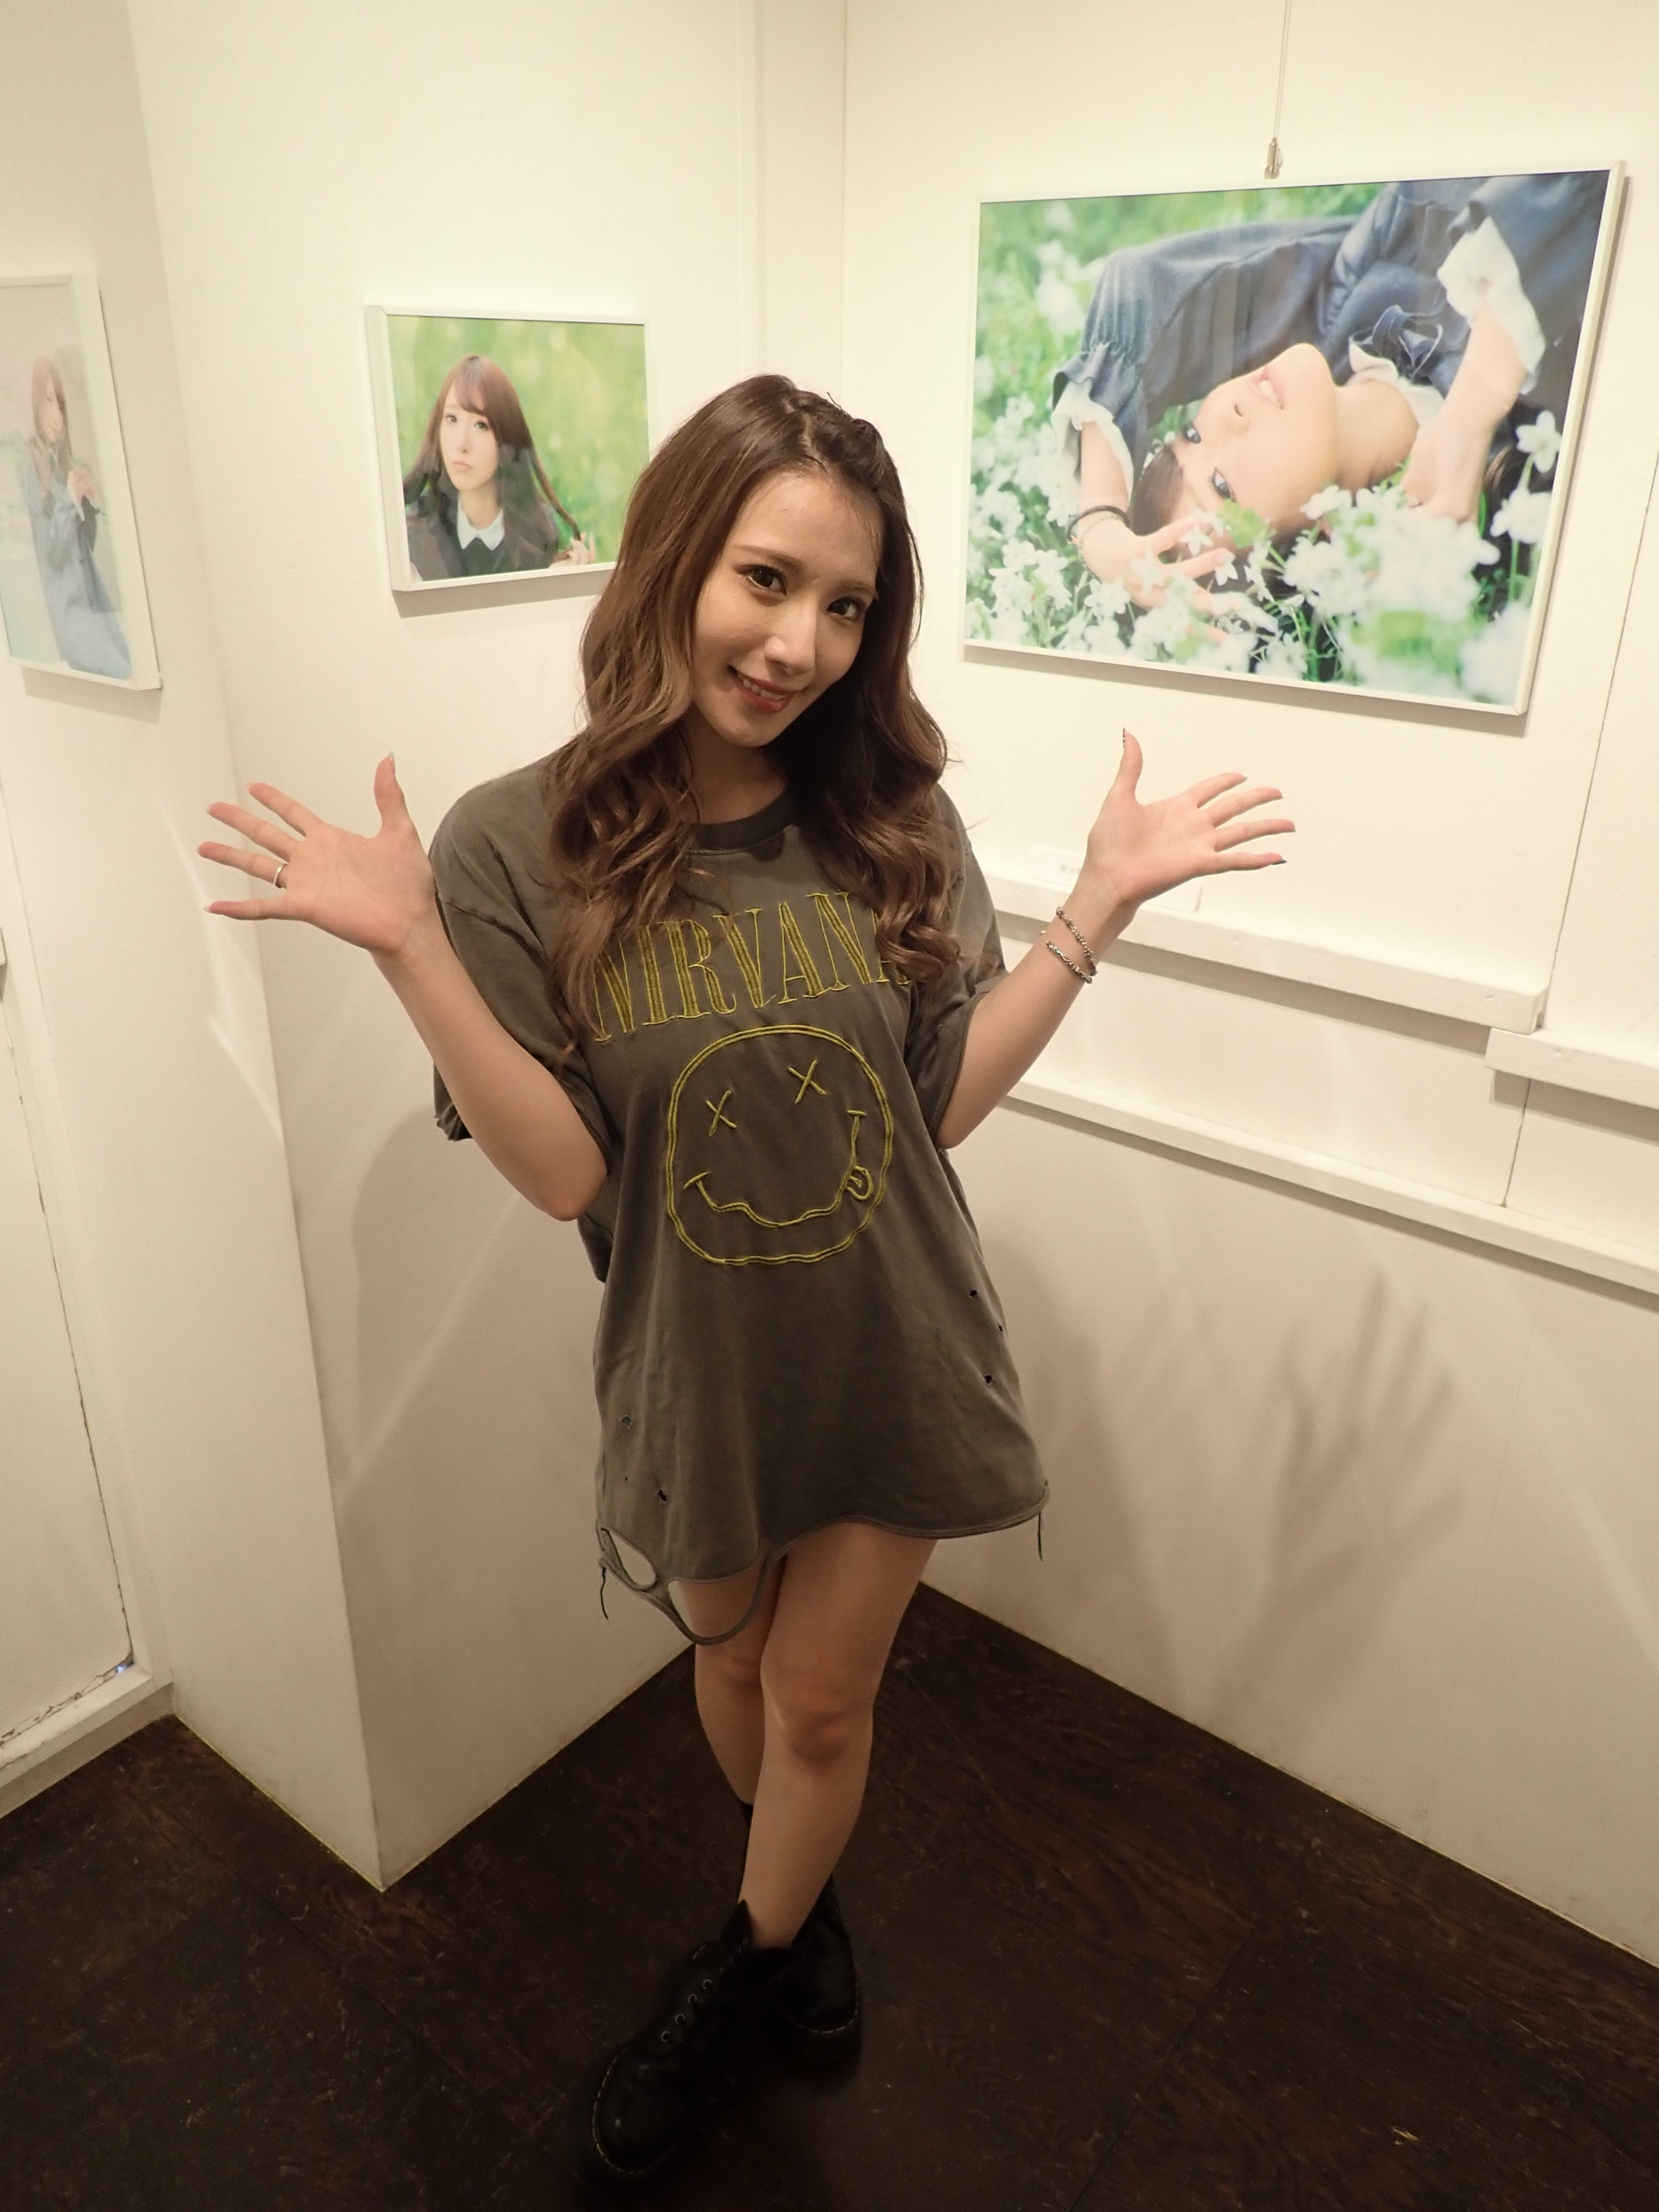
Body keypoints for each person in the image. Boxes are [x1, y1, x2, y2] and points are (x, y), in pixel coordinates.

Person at [200, 374, 1291, 2195]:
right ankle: (803, 1884)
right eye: (767, 582)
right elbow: (569, 1176)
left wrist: (1097, 910)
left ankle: (746, 1958)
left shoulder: (889, 816)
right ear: (674, 563)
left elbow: (937, 1105)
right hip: (693, 1369)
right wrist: (407, 953)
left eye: (846, 605)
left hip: (896, 1349)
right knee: (730, 1655)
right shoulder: (513, 845)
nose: (800, 645)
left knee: (823, 1701)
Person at [1051, 173, 1606, 604]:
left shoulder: (1347, 293)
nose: (1227, 414)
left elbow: (1139, 281)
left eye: (1192, 434)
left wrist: (1099, 521)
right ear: (1320, 540)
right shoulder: (1523, 476)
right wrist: (1472, 416)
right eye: (1221, 484)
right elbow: (1580, 190)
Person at [401, 352, 596, 580]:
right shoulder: (417, 534)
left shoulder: (538, 532)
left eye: (481, 425)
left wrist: (561, 582)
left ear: (506, 438)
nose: (462, 444)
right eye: (452, 419)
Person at [21, 355, 131, 679]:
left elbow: (85, 549)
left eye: (61, 406)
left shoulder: (63, 466)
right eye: (49, 402)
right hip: (69, 614)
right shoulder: (30, 464)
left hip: (93, 604)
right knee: (122, 673)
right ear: (36, 404)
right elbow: (52, 552)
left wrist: (88, 506)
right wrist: (71, 501)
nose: (57, 416)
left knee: (131, 668)